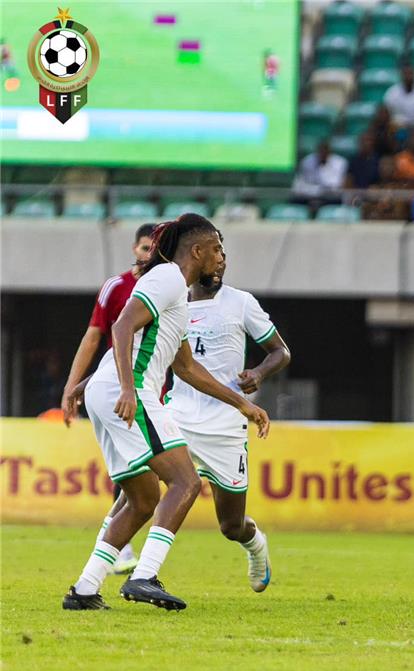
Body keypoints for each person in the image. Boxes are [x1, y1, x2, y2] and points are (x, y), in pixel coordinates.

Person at [62, 214, 270, 611]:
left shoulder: (177, 295)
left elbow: (187, 368)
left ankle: (85, 589)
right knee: (185, 483)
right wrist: (127, 388)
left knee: (141, 499)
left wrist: (244, 404)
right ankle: (143, 577)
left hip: (111, 393)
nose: (220, 258)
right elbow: (121, 328)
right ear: (197, 251)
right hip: (129, 392)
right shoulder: (169, 278)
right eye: (216, 249)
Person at [165, 257, 290, 590]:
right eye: (212, 255)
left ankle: (256, 545)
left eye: (223, 256)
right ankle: (123, 569)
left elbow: (281, 352)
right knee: (139, 490)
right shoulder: (171, 304)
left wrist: (259, 373)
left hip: (225, 424)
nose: (219, 264)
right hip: (177, 415)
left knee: (231, 526)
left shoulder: (241, 302)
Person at [61, 222, 158, 575]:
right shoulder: (117, 287)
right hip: (118, 392)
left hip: (155, 392)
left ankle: (114, 545)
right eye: (145, 248)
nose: (150, 255)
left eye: (155, 249)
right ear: (135, 249)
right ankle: (122, 550)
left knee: (148, 474)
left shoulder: (168, 289)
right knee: (142, 474)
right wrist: (73, 386)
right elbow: (93, 337)